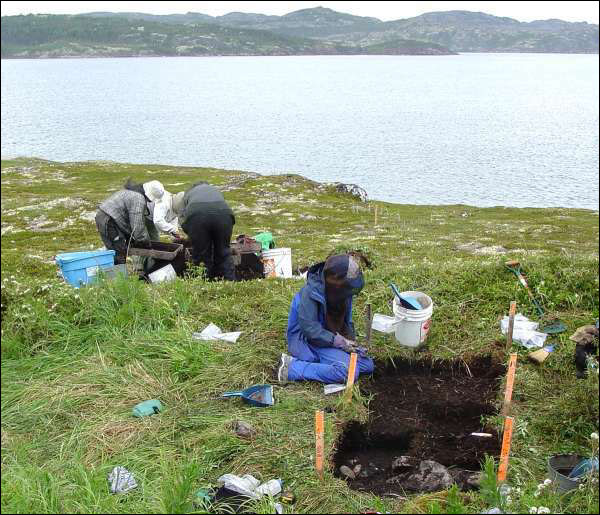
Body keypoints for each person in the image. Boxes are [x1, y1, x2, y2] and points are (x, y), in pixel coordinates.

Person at [277, 254, 375, 384]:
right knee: (348, 371)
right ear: (334, 281)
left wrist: (350, 344)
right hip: (307, 341)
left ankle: (327, 362)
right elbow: (310, 330)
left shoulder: (344, 292)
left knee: (368, 365)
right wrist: (338, 342)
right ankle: (291, 368)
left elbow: (347, 323)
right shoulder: (310, 293)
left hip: (330, 339)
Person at [172, 182, 236, 281]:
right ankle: (230, 283)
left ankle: (203, 284)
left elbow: (183, 220)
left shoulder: (187, 194)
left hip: (198, 217)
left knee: (201, 255)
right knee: (224, 252)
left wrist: (192, 235)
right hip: (225, 215)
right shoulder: (213, 189)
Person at [95, 187, 153, 264]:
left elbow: (128, 221)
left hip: (103, 216)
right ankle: (119, 274)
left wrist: (131, 238)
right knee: (119, 251)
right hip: (109, 220)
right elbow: (137, 225)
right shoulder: (139, 199)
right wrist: (145, 242)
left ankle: (110, 272)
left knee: (112, 251)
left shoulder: (131, 192)